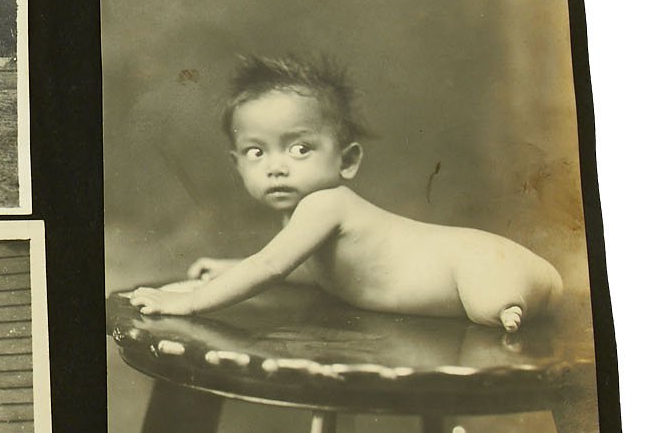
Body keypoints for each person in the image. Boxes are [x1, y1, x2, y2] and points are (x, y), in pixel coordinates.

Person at [129, 54, 563, 332]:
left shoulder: (326, 203)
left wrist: (190, 302)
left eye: (300, 148)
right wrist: (229, 268)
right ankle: (511, 303)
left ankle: (506, 303)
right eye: (256, 152)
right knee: (490, 301)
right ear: (237, 164)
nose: (276, 166)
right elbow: (310, 268)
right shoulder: (305, 217)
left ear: (347, 160)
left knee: (486, 302)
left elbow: (271, 266)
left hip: (482, 263)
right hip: (525, 273)